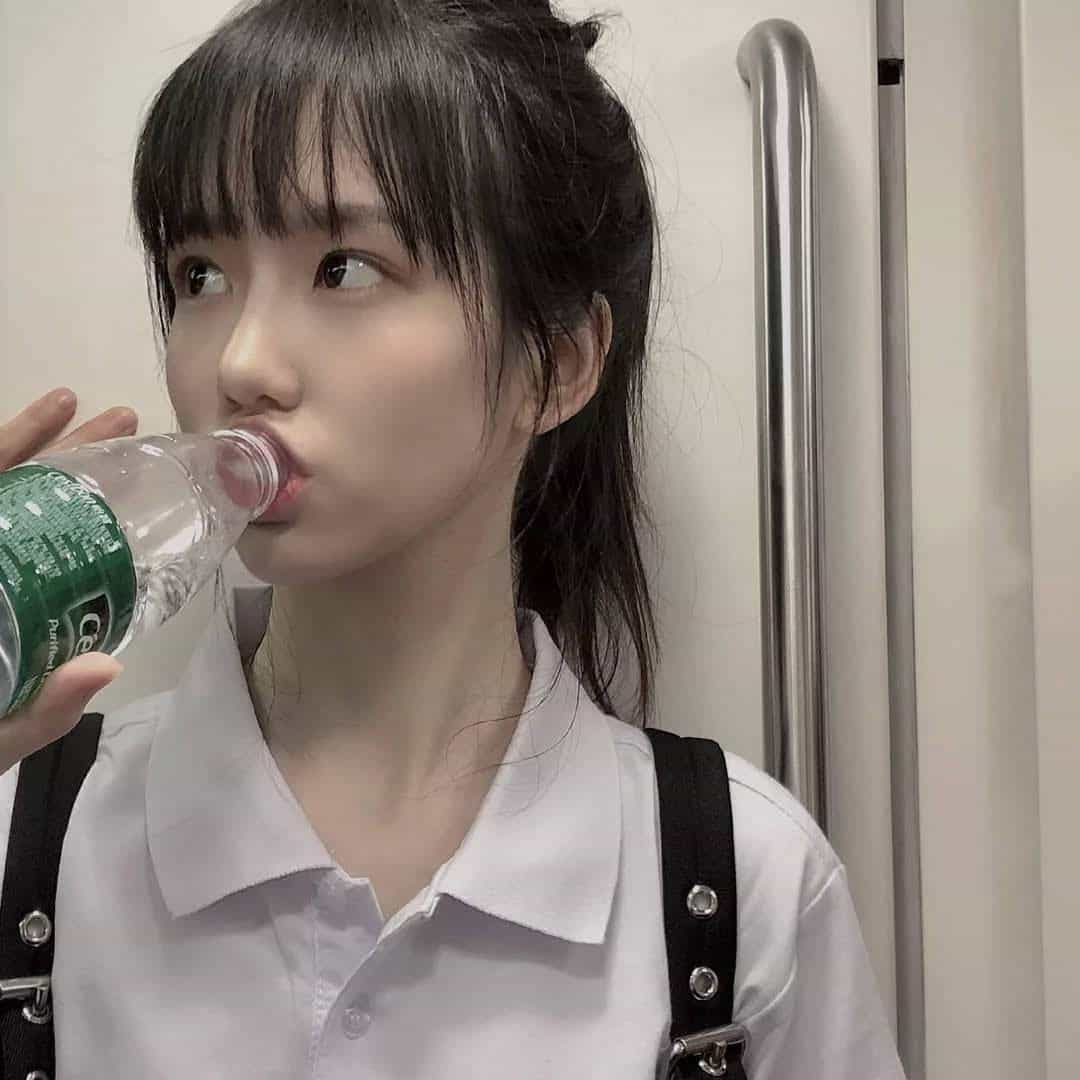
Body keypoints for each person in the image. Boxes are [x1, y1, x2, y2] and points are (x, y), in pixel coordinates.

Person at [0, 2, 907, 1076]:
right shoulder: (28, 836)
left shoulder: (743, 888)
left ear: (558, 363)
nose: (239, 362)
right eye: (201, 273)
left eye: (345, 267)